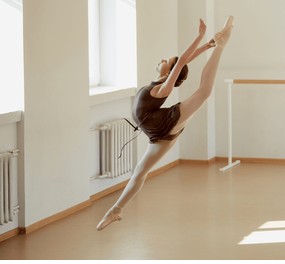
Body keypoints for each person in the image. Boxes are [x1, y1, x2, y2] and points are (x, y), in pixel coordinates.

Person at [96, 16, 234, 231]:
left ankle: (222, 48)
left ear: (170, 72)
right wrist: (207, 44)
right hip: (157, 134)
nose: (162, 59)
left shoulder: (164, 89)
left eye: (166, 61)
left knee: (203, 92)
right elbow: (183, 62)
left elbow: (181, 63)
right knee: (140, 172)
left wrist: (200, 37)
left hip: (165, 123)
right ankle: (116, 209)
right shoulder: (158, 82)